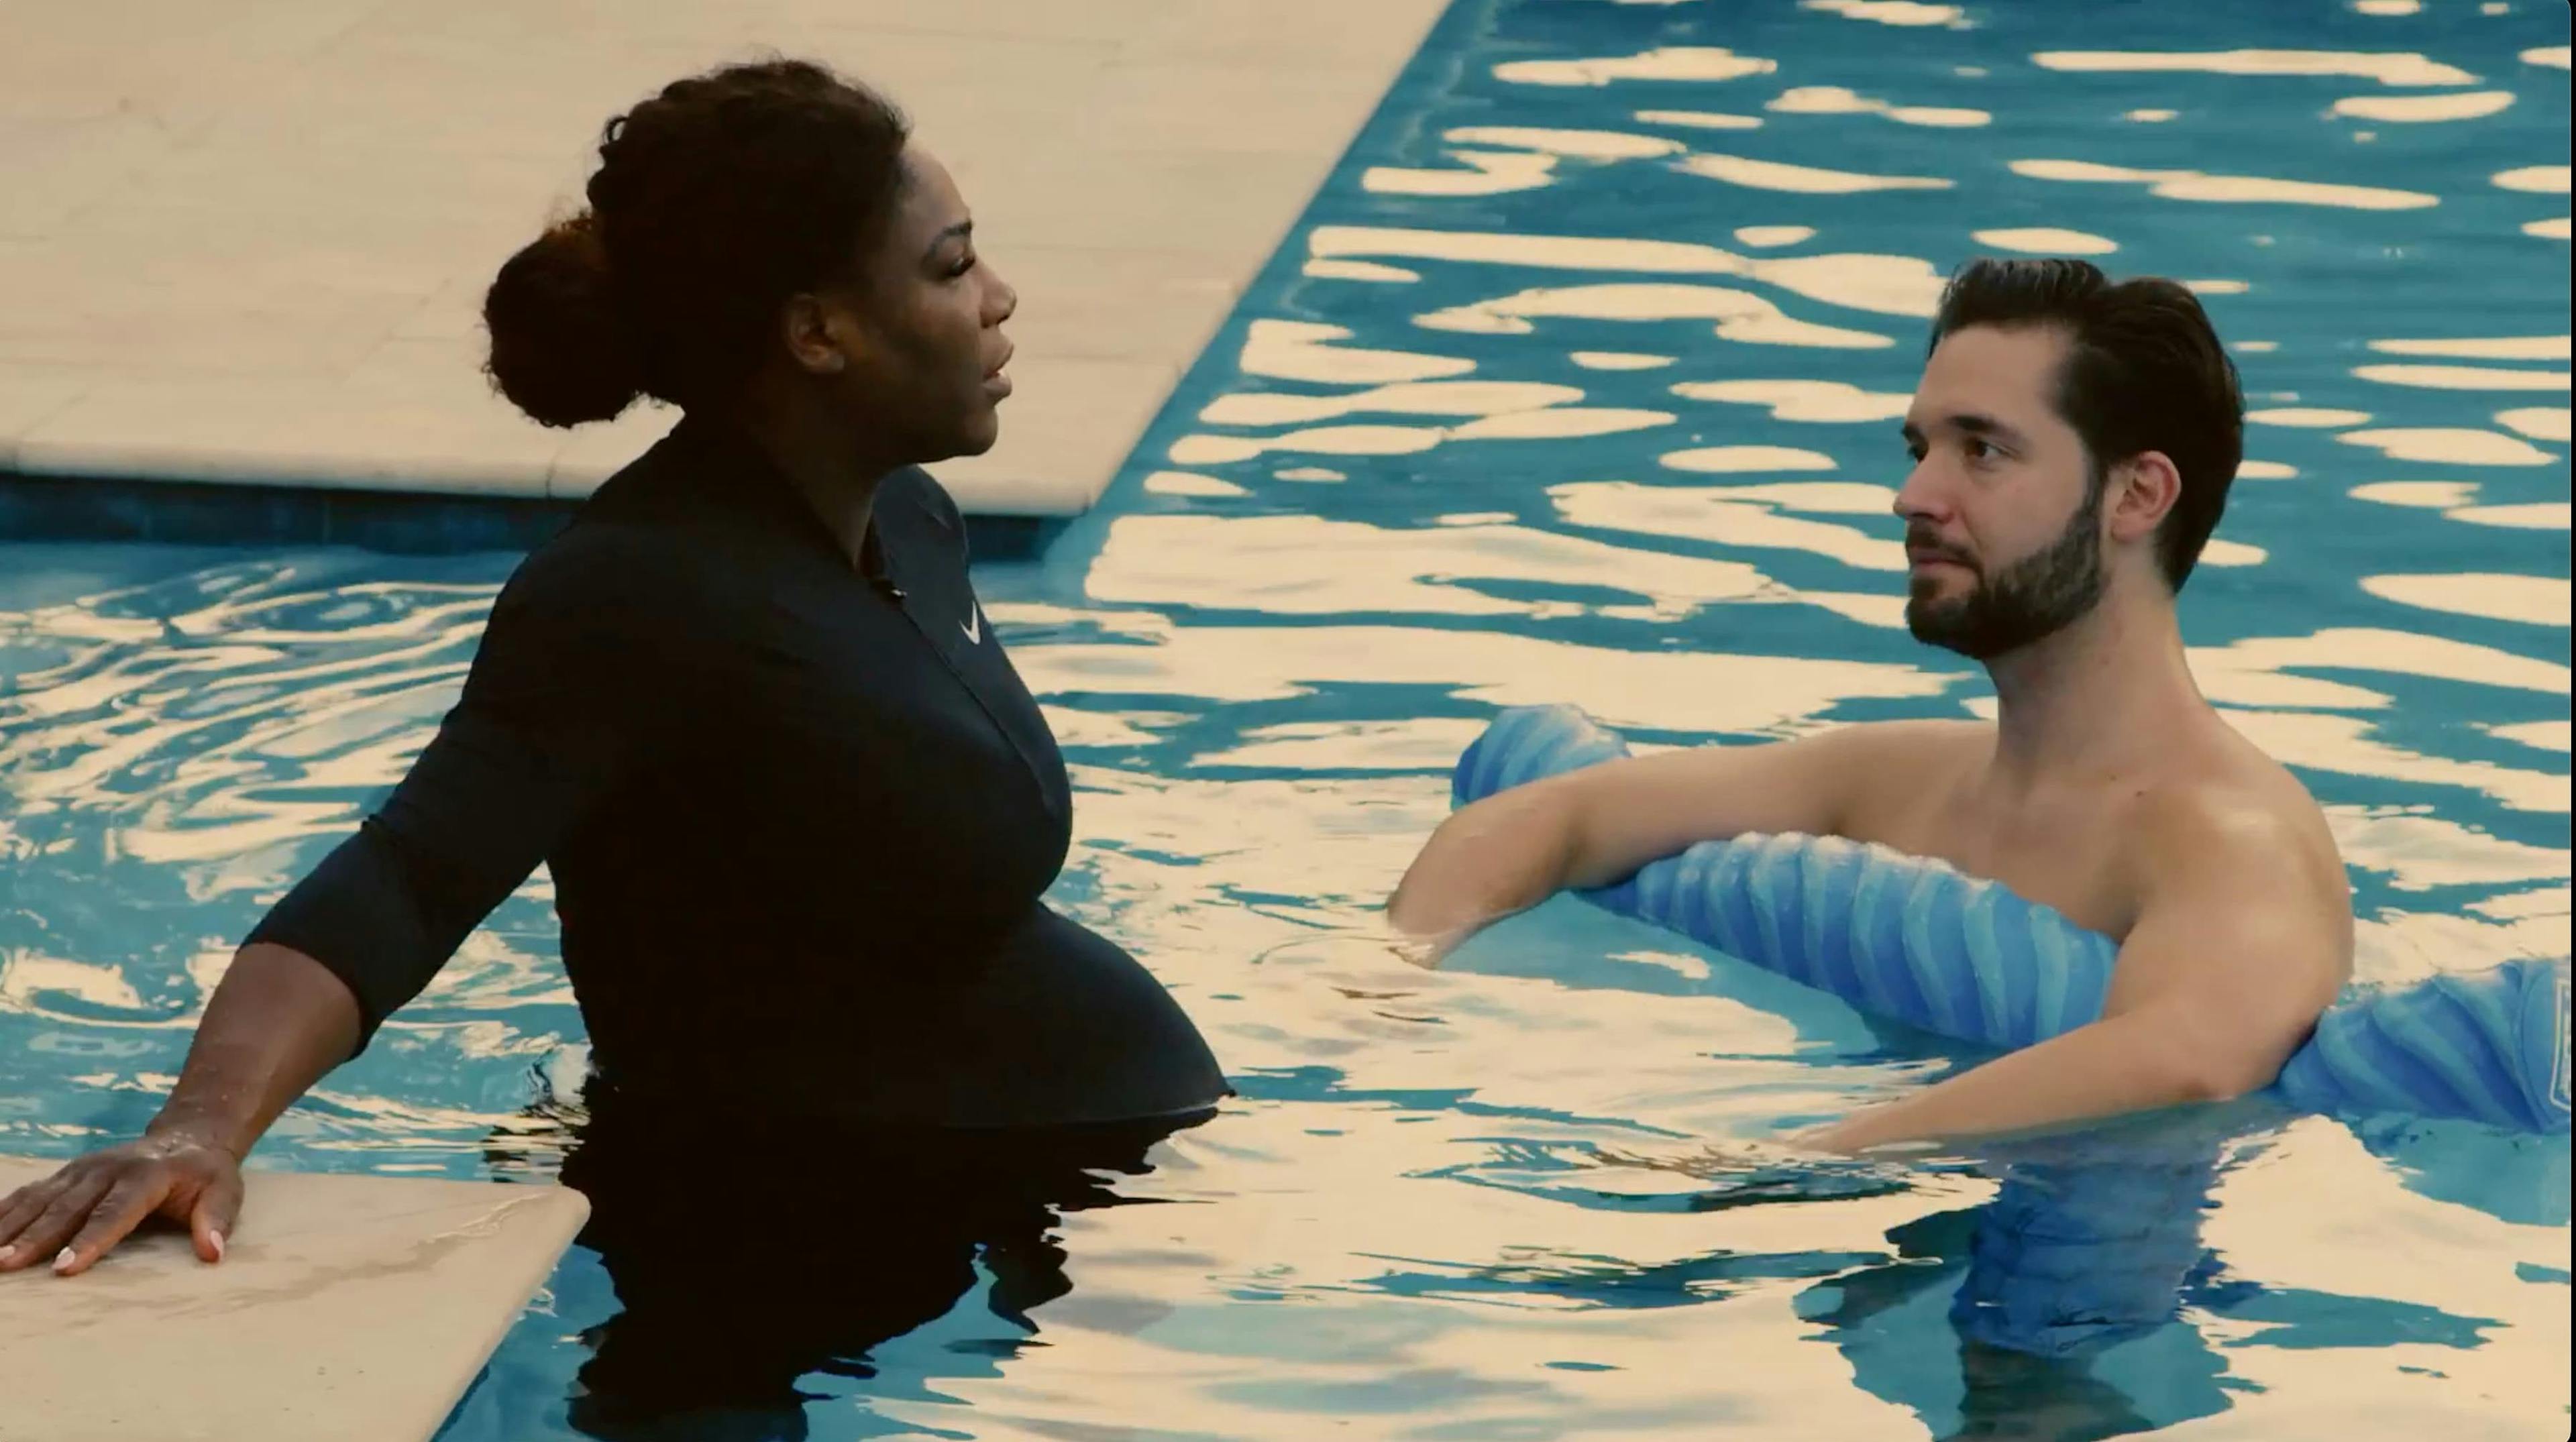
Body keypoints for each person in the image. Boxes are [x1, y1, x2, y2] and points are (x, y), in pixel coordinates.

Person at [0, 56, 1228, 1429]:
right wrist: (197, 1128)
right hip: (770, 1238)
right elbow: (409, 875)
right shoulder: (640, 594)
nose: (999, 297)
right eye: (951, 267)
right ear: (817, 332)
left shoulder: (910, 523)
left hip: (1010, 1190)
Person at [1388, 257, 2353, 1156]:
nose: (1913, 494)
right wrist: (1376, 985)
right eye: (1921, 448)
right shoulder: (1897, 781)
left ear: (2136, 496)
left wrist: (1781, 1167)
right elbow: (1558, 812)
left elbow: (2188, 1057)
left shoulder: (2232, 836)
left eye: (1982, 450)